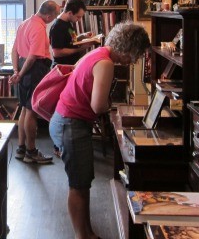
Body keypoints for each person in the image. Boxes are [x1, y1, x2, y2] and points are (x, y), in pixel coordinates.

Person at [49, 22, 150, 239]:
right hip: (71, 124)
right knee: (78, 184)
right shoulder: (105, 63)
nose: (133, 61)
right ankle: (82, 235)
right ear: (130, 48)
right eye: (136, 55)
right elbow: (97, 106)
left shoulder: (97, 53)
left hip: (65, 120)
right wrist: (112, 107)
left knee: (82, 183)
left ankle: (87, 232)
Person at [9, 0, 60, 164]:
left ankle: (21, 148)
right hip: (34, 69)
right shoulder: (38, 27)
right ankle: (31, 151)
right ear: (48, 15)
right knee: (31, 111)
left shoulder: (24, 24)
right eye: (55, 15)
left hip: (24, 67)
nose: (55, 18)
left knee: (24, 108)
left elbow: (14, 50)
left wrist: (16, 71)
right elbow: (32, 57)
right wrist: (20, 74)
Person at [49, 0, 95, 67]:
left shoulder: (68, 22)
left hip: (71, 65)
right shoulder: (57, 26)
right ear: (70, 13)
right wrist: (80, 49)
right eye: (78, 17)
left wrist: (83, 36)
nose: (79, 20)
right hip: (63, 67)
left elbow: (71, 40)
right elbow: (57, 52)